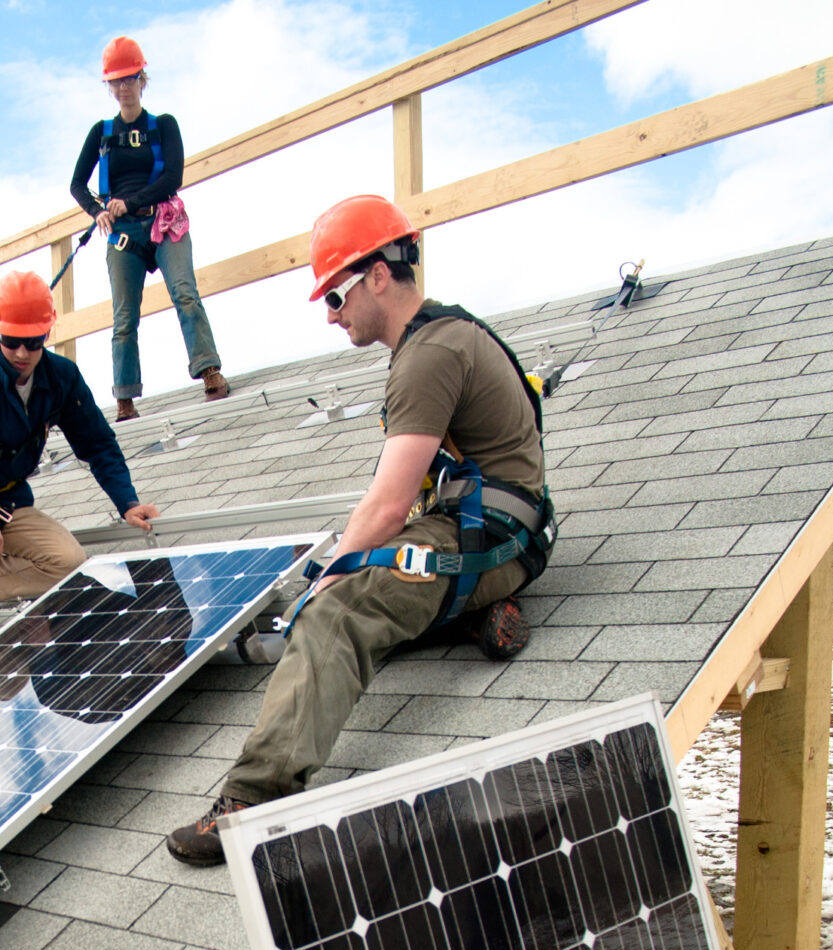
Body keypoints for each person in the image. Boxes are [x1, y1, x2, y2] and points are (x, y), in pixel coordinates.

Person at [165, 194, 559, 866]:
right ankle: (475, 611)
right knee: (373, 592)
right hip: (501, 536)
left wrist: (326, 583)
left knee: (337, 614)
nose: (330, 314)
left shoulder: (430, 354)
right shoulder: (444, 334)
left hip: (484, 541)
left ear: (379, 275)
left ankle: (253, 799)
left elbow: (385, 509)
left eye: (335, 295)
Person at [0, 269, 162, 702]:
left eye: (33, 342)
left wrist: (127, 501)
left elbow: (97, 443)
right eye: (11, 341)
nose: (21, 352)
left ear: (47, 333)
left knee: (69, 562)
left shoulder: (61, 377)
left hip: (8, 499)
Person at [69, 36, 227, 422]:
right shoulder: (102, 133)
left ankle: (209, 369)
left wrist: (131, 201)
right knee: (124, 317)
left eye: (129, 79)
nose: (123, 87)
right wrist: (97, 211)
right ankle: (124, 398)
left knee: (185, 293)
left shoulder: (164, 126)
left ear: (142, 80)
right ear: (109, 86)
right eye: (116, 81)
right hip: (123, 234)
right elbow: (77, 183)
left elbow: (173, 177)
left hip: (164, 221)